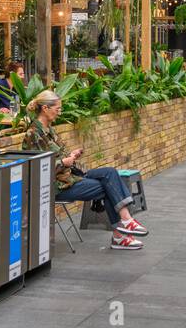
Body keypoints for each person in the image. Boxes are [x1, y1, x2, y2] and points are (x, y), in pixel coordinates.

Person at [24, 90, 147, 249]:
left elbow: (58, 155)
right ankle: (121, 232)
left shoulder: (49, 129)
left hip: (70, 176)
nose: (60, 112)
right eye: (58, 109)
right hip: (56, 185)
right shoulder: (34, 133)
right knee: (107, 187)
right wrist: (63, 162)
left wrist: (71, 155)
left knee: (110, 173)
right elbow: (36, 167)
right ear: (45, 108)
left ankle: (125, 224)